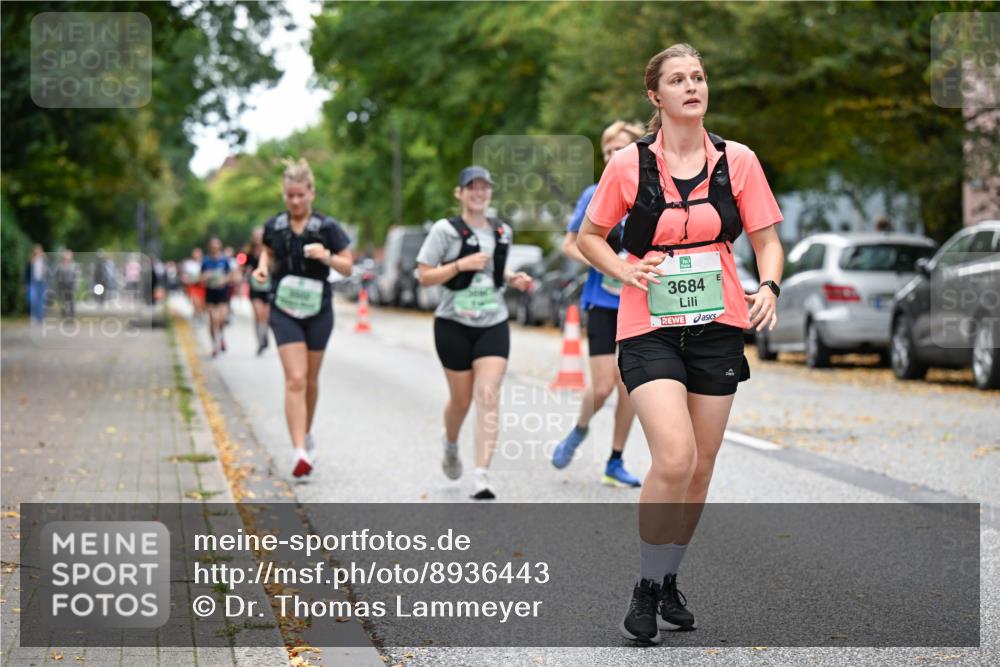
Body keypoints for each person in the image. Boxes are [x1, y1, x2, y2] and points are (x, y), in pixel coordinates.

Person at [576, 44, 784, 644]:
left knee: (700, 465)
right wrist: (621, 269)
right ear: (655, 95)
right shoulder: (629, 165)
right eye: (677, 79)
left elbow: (768, 240)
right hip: (648, 323)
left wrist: (768, 283)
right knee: (673, 455)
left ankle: (669, 579)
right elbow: (592, 236)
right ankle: (645, 587)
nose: (691, 86)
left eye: (698, 77)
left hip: (718, 321)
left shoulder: (737, 160)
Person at [416, 166, 533, 500]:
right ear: (460, 193)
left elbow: (495, 269)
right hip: (453, 324)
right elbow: (424, 275)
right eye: (472, 187)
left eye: (484, 187)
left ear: (490, 193)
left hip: (492, 322)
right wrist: (458, 266)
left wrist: (513, 278)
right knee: (461, 400)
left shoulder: (502, 231)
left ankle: (482, 475)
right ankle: (450, 444)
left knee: (488, 395)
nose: (479, 193)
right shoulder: (445, 230)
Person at [552, 120, 646, 488]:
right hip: (603, 301)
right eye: (606, 150)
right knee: (605, 384)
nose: (611, 156)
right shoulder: (594, 193)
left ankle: (616, 460)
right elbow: (570, 243)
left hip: (641, 302)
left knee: (631, 387)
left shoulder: (649, 192)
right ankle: (579, 429)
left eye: (618, 148)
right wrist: (609, 264)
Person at [251, 158, 352, 478]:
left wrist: (327, 256)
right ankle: (298, 451)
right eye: (289, 195)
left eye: (300, 195)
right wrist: (263, 266)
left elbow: (348, 266)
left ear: (311, 193)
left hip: (318, 310)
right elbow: (267, 250)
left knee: (309, 379)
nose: (295, 201)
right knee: (295, 378)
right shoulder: (276, 226)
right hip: (284, 309)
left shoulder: (327, 227)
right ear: (284, 195)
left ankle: (305, 434)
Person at [201, 237, 232, 357]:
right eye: (212, 247)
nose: (214, 249)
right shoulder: (205, 261)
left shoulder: (224, 260)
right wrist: (206, 276)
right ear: (210, 248)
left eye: (216, 246)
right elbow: (201, 278)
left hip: (223, 293)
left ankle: (222, 336)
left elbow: (230, 275)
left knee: (221, 319)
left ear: (220, 247)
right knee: (213, 320)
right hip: (210, 293)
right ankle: (215, 345)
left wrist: (224, 280)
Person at [244, 228, 272, 355]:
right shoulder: (249, 252)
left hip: (268, 287)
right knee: (258, 314)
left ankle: (264, 336)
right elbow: (244, 268)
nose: (258, 238)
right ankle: (260, 341)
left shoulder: (270, 251)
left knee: (265, 317)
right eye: (255, 236)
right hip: (255, 287)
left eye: (260, 235)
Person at [53, 249, 79, 319]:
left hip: (71, 285)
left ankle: (71, 314)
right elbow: (55, 274)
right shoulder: (59, 265)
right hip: (62, 285)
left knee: (71, 300)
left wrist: (76, 286)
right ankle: (64, 313)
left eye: (68, 255)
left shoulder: (74, 265)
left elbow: (77, 276)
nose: (67, 256)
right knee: (63, 300)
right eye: (66, 255)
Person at [25, 245, 48, 323]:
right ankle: (34, 315)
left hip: (42, 282)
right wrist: (25, 284)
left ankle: (40, 318)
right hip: (32, 283)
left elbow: (48, 272)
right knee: (32, 299)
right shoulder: (30, 261)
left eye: (39, 251)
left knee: (41, 300)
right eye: (36, 252)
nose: (37, 253)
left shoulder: (44, 261)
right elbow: (26, 273)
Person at [182, 248, 206, 320]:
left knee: (202, 303)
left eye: (198, 253)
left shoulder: (204, 263)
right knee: (195, 302)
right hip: (192, 286)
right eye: (195, 253)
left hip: (202, 285)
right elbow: (184, 275)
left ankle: (199, 313)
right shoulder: (188, 264)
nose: (196, 255)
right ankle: (197, 315)